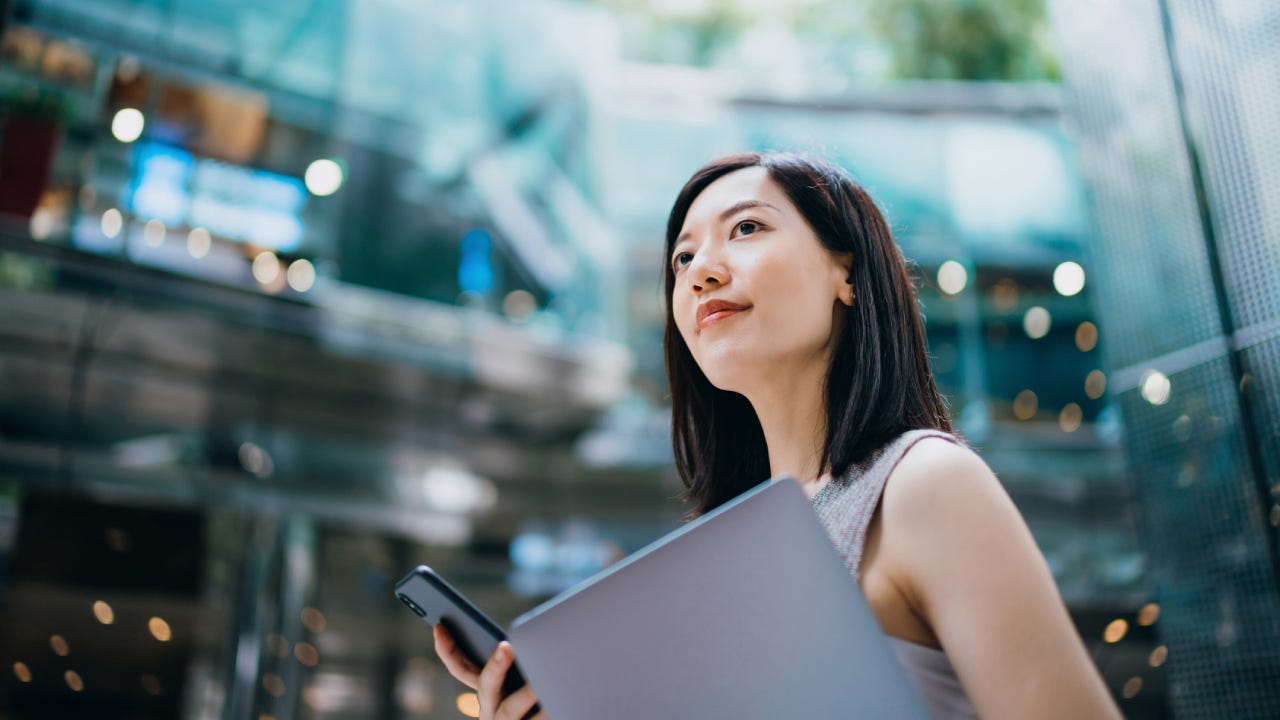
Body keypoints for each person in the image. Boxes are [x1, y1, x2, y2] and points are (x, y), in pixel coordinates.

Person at [434, 152, 1122, 719]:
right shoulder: (723, 562)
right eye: (681, 259)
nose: (700, 271)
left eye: (746, 229)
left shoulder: (924, 483)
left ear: (846, 273)